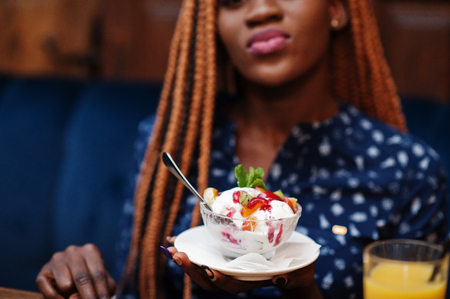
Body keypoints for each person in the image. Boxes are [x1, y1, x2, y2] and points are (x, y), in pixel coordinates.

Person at [36, 0, 448, 298]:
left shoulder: (407, 169)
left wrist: (302, 292)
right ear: (212, 25)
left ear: (337, 8)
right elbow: (137, 289)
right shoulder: (172, 144)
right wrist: (85, 285)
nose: (260, 10)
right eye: (232, 0)